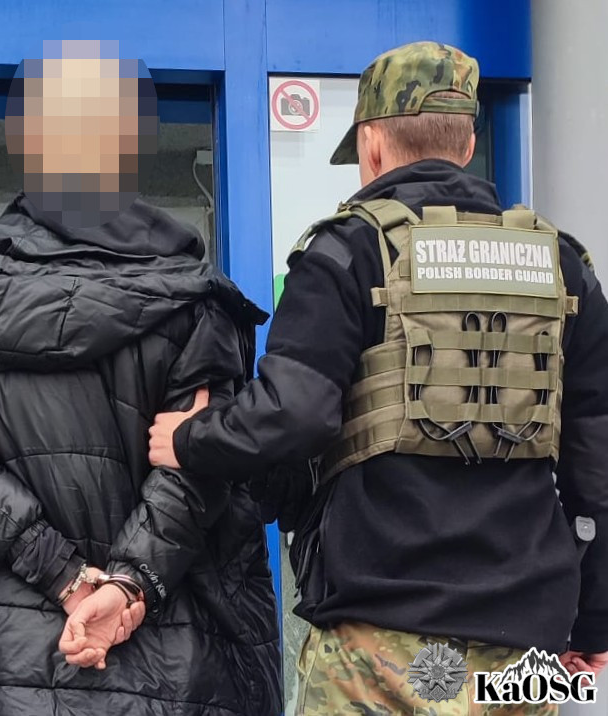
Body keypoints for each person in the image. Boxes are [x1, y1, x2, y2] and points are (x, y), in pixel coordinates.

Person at [148, 42, 608, 714]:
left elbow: (294, 413)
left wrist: (191, 439)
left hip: (374, 639)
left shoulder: (346, 250)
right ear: (467, 142)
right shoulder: (560, 266)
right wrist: (593, 618)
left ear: (371, 144)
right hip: (520, 644)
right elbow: (595, 465)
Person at [0, 40, 281, 716]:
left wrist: (66, 578)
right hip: (173, 657)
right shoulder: (193, 295)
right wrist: (126, 585)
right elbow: (197, 468)